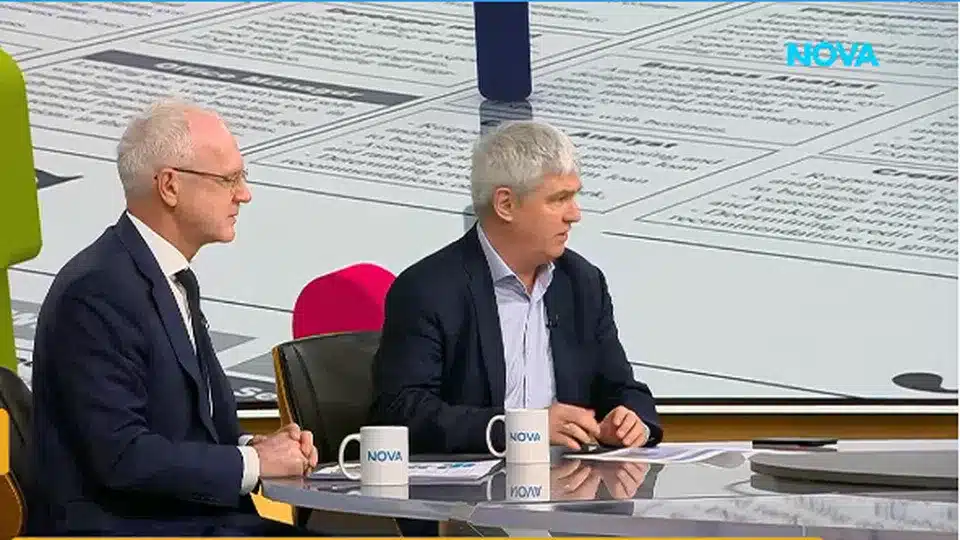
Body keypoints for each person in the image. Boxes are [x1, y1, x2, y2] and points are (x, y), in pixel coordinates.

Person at [28, 99, 319, 536]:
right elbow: (122, 456)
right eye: (229, 179)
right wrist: (255, 462)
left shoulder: (165, 278)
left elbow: (191, 431)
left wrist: (260, 447)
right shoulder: (97, 291)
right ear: (169, 186)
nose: (244, 194)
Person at [370, 120, 662, 454]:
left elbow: (622, 388)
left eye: (574, 196)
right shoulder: (427, 290)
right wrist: (521, 429)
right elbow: (401, 412)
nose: (574, 214)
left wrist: (631, 421)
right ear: (506, 204)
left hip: (569, 478)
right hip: (472, 483)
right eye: (559, 199)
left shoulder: (582, 283)